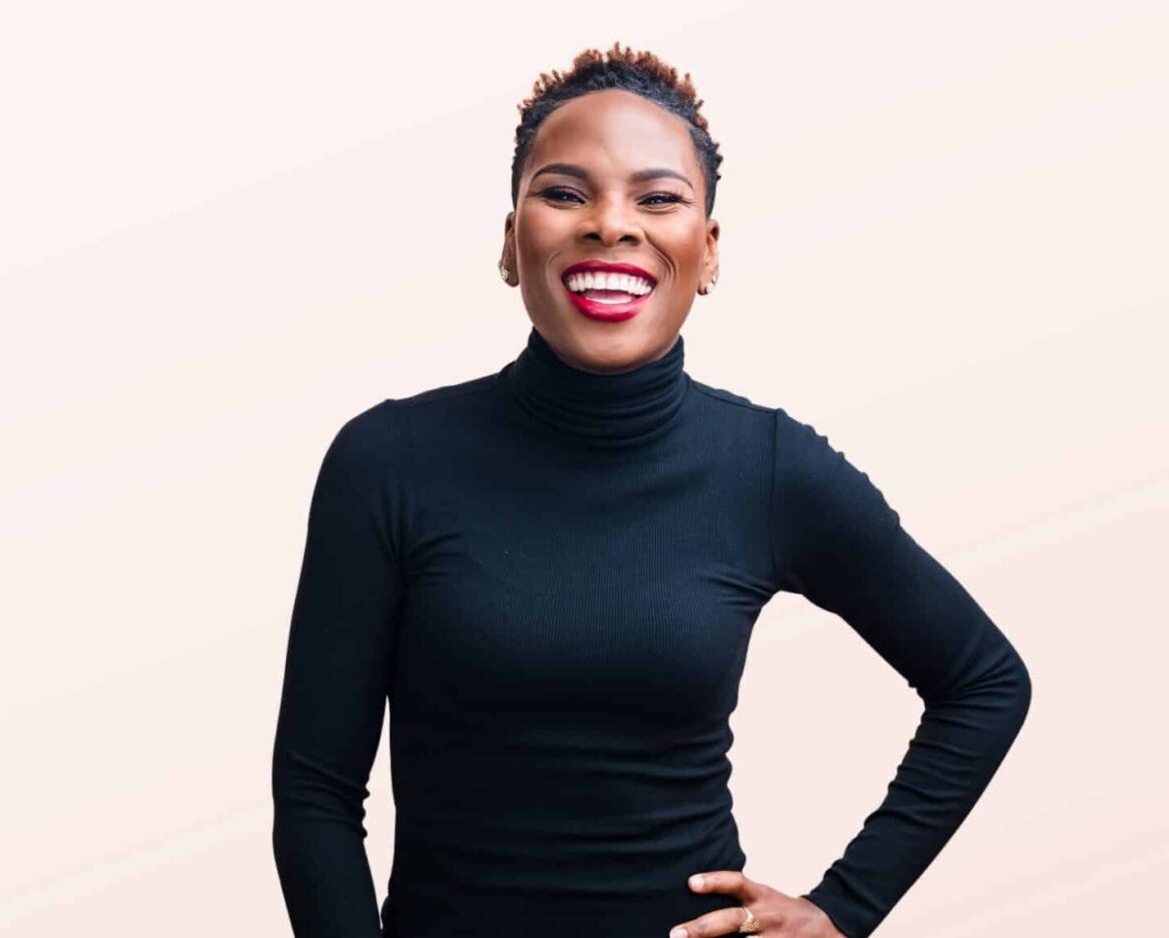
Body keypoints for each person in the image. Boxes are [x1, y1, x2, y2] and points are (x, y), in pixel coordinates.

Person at [268, 43, 1031, 938]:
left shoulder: (771, 467)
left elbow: (983, 682)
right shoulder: (387, 462)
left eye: (658, 198)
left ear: (705, 253)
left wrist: (843, 910)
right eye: (564, 193)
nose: (611, 225)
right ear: (512, 243)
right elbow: (316, 791)